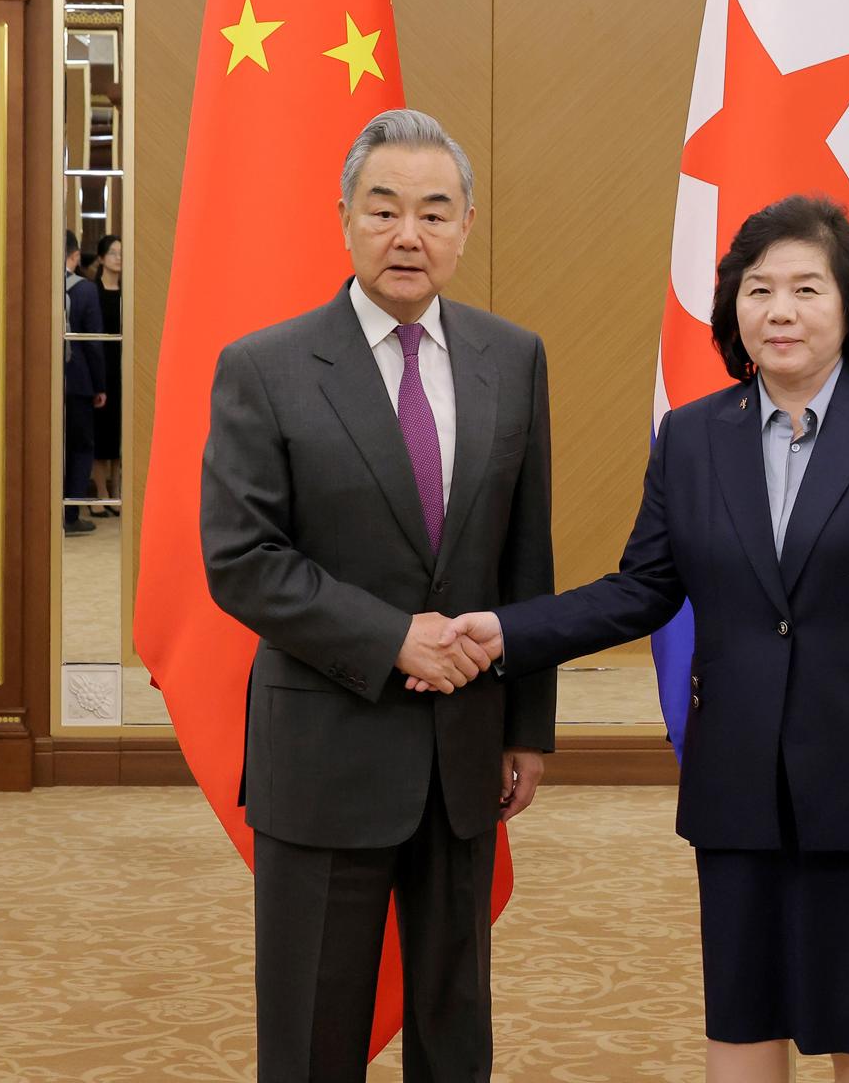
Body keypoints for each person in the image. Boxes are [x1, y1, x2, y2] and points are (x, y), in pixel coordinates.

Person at [433, 195, 849, 1083]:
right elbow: (643, 588)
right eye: (758, 288)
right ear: (732, 308)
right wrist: (505, 629)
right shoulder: (694, 435)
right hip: (740, 775)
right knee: (744, 1011)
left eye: (806, 288)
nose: (780, 310)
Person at [199, 108, 558, 1082]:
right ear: (346, 219)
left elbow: (528, 556)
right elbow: (241, 556)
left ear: (468, 224)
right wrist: (391, 636)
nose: (410, 234)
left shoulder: (511, 359)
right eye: (385, 208)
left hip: (466, 749)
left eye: (435, 212)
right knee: (314, 1030)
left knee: (456, 1024)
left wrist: (528, 724)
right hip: (325, 747)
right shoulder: (265, 367)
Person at [62, 233, 106, 536]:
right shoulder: (86, 291)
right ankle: (70, 514)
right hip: (77, 382)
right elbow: (93, 343)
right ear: (75, 256)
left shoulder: (37, 284)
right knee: (80, 447)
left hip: (42, 384)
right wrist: (99, 384)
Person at [89, 235, 123, 517]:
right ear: (100, 258)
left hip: (124, 368)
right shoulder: (93, 292)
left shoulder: (129, 292)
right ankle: (100, 492)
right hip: (103, 368)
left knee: (121, 434)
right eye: (113, 253)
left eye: (121, 253)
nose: (118, 258)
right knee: (101, 434)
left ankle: (118, 492)